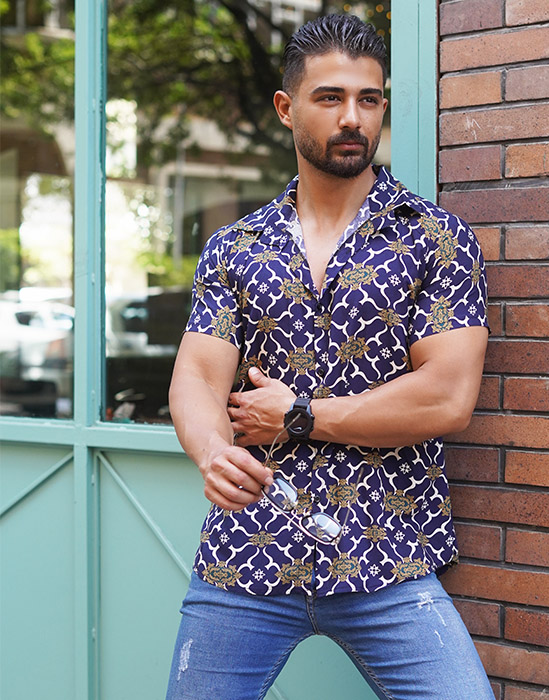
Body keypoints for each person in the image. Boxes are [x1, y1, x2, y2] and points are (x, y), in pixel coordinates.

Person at [166, 13, 493, 700]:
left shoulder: (435, 238)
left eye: (368, 99)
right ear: (286, 108)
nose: (352, 117)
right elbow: (197, 374)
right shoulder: (236, 246)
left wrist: (299, 415)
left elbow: (446, 396)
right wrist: (212, 451)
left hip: (389, 555)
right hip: (248, 553)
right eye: (330, 97)